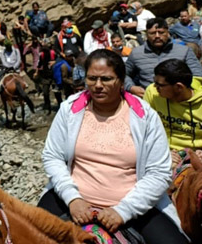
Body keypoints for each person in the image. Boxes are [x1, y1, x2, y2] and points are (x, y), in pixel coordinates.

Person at [39, 49, 186, 243]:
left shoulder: (145, 116)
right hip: (72, 198)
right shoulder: (70, 109)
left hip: (132, 203)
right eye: (92, 78)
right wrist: (72, 198)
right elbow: (52, 155)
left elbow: (159, 173)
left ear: (121, 81)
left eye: (106, 79)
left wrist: (123, 210)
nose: (98, 85)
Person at [125, 18, 202, 96]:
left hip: (179, 100)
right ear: (146, 35)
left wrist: (184, 91)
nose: (157, 36)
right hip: (149, 100)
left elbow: (198, 75)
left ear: (168, 33)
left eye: (161, 32)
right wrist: (131, 87)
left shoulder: (184, 51)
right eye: (152, 33)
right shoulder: (136, 53)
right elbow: (123, 74)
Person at [143, 59, 202, 159]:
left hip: (197, 153)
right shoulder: (153, 93)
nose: (155, 87)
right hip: (162, 151)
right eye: (155, 82)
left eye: (160, 85)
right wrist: (160, 152)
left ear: (179, 87)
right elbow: (144, 128)